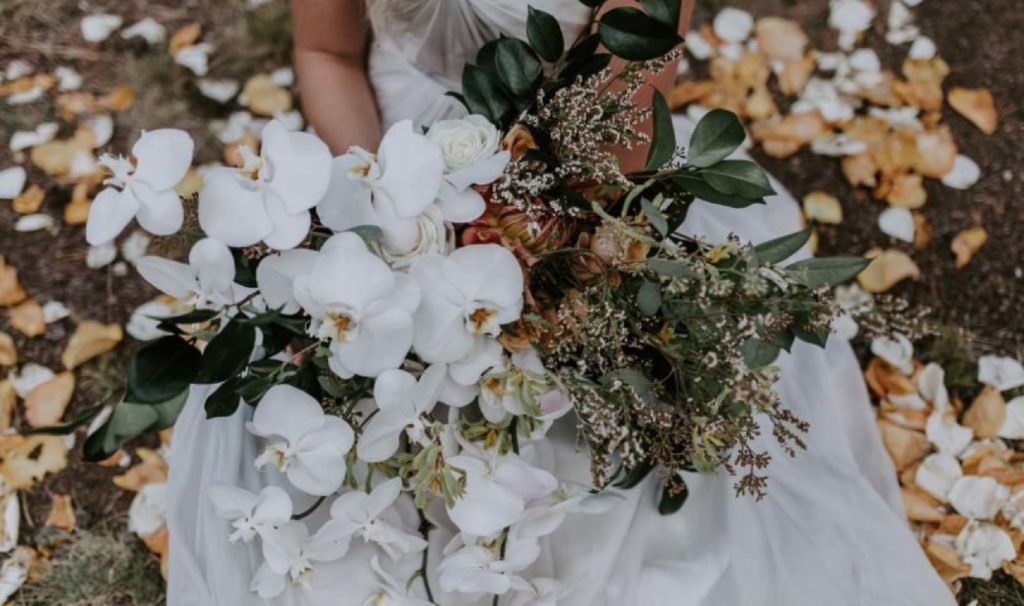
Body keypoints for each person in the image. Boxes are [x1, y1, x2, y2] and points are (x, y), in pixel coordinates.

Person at [166, 1, 956, 604]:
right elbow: (327, 50)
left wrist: (516, 247)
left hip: (578, 192)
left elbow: (616, 125)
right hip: (384, 170)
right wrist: (381, 218)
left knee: (571, 428)